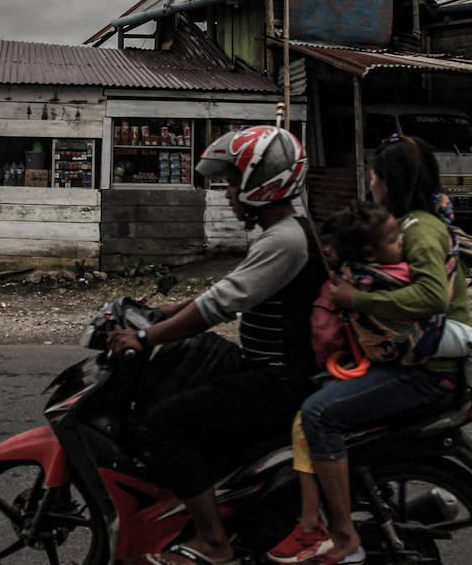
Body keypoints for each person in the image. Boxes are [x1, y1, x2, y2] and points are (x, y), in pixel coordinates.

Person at [107, 125, 324, 565]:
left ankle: (213, 542)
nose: (227, 192)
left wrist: (147, 336)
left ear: (262, 184)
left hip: (280, 379)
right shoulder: (282, 229)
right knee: (187, 368)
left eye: (232, 182)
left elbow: (218, 307)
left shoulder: (284, 239)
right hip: (268, 368)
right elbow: (232, 288)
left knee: (163, 425)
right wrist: (168, 312)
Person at [268, 134, 472, 565]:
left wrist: (356, 300)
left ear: (390, 182)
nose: (372, 184)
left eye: (376, 176)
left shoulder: (419, 229)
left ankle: (342, 536)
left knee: (318, 414)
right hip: (414, 358)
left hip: (426, 368)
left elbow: (433, 297)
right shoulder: (411, 223)